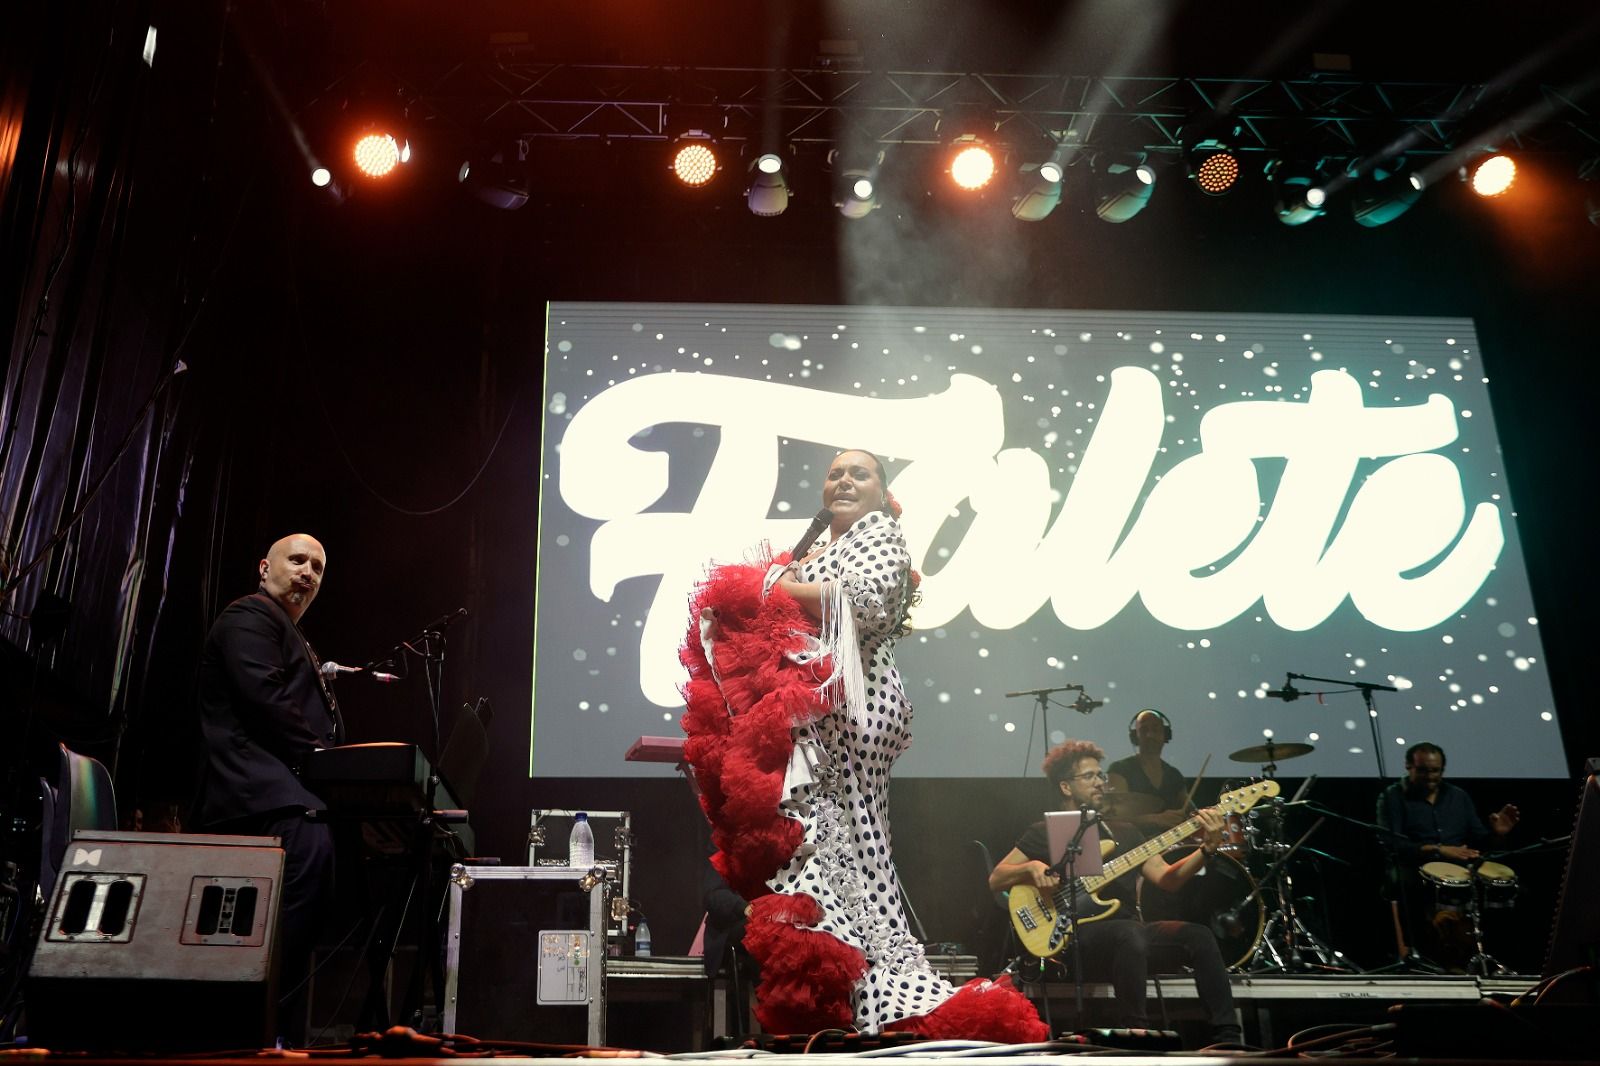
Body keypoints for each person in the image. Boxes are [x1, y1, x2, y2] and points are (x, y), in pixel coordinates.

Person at [681, 450, 1044, 1040]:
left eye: (860, 473)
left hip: (847, 725)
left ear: (882, 494)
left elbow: (863, 601)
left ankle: (883, 998)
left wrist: (772, 588)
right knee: (817, 867)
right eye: (834, 473)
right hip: (825, 728)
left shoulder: (882, 537)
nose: (843, 480)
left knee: (838, 863)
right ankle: (849, 1006)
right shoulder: (820, 546)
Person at [988, 739, 1243, 1047]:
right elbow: (997, 878)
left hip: (1128, 932)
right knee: (1129, 934)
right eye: (1090, 776)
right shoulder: (1049, 830)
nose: (1100, 782)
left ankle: (1228, 1037)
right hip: (1076, 938)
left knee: (1198, 936)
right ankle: (1135, 1032)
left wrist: (1207, 848)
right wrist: (1030, 869)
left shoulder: (1125, 832)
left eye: (1101, 775)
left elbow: (1167, 879)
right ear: (1066, 787)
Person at [195, 533, 342, 1045]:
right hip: (258, 797)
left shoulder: (289, 632)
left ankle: (278, 1032)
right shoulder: (249, 617)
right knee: (309, 854)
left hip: (287, 793)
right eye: (297, 560)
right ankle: (250, 1027)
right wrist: (328, 764)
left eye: (318, 568)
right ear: (264, 568)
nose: (308, 573)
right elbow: (268, 700)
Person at [1376, 741, 1519, 969]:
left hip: (1457, 866)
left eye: (1436, 771)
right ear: (1408, 766)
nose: (1430, 776)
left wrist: (1497, 833)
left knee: (1506, 886)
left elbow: (1479, 840)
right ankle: (1417, 955)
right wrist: (1438, 849)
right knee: (1402, 882)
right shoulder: (1392, 797)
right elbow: (1391, 842)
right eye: (1423, 770)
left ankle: (1483, 955)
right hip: (1414, 865)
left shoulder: (1458, 796)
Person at [1106, 709, 1190, 832]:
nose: (1150, 735)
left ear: (1165, 734)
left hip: (1172, 844)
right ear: (1135, 736)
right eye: (1144, 730)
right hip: (1134, 845)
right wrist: (1156, 819)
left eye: (1155, 729)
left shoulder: (1174, 775)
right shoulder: (1119, 769)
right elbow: (1114, 819)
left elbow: (1190, 812)